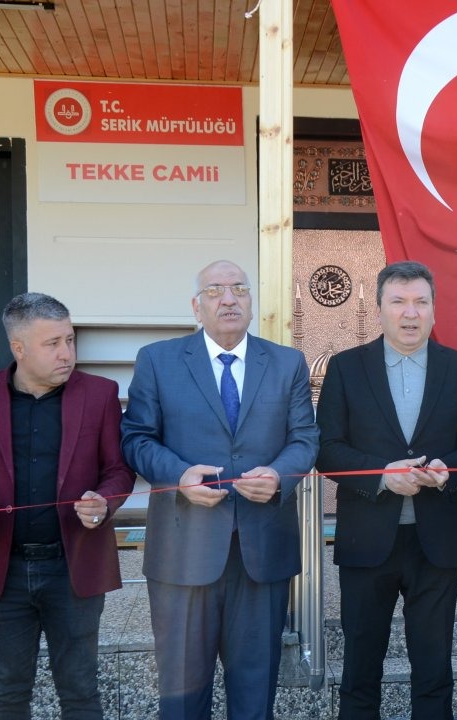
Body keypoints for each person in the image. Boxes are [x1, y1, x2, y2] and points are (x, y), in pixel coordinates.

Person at [121, 260, 319, 720]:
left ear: (252, 302)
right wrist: (178, 475)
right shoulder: (159, 359)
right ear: (196, 305)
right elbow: (136, 437)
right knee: (182, 696)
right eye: (215, 291)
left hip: (262, 550)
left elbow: (305, 438)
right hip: (183, 552)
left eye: (239, 290)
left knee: (255, 693)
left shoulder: (287, 362)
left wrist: (278, 476)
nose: (228, 299)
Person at [315, 260, 457, 718]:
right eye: (398, 302)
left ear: (435, 311)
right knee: (360, 667)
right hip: (365, 540)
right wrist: (381, 474)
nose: (409, 313)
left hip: (435, 541)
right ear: (379, 309)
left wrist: (448, 469)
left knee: (434, 669)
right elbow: (328, 449)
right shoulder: (346, 368)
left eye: (420, 302)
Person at [0, 292, 134, 718]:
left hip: (74, 568)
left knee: (81, 692)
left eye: (70, 340)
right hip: (2, 570)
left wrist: (103, 501)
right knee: (8, 695)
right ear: (19, 348)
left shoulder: (100, 394)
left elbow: (118, 470)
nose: (67, 353)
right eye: (53, 344)